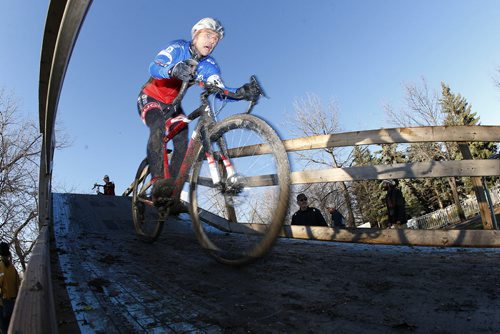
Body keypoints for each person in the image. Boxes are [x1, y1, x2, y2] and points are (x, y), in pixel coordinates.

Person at [137, 17, 259, 209]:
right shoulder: (178, 48)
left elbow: (218, 88)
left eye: (216, 39)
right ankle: (158, 183)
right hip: (151, 97)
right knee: (158, 126)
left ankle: (173, 192)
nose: (212, 41)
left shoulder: (208, 63)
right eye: (208, 35)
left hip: (173, 105)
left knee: (182, 136)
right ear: (195, 34)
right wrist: (173, 69)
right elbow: (154, 67)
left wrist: (240, 93)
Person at [0, 242, 20, 333]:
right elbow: (18, 284)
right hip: (14, 303)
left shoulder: (1, 267)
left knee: (5, 329)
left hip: (3, 305)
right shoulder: (12, 268)